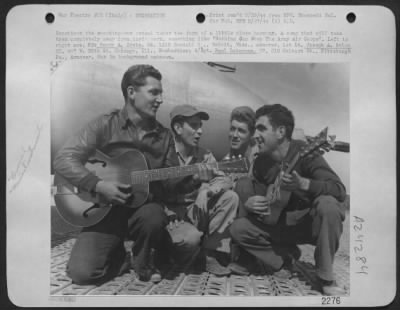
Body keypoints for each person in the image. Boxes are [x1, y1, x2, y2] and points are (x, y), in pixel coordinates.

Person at [53, 64, 190, 284]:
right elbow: (63, 158)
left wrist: (192, 176)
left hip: (143, 211)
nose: (161, 99)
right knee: (82, 274)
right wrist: (97, 185)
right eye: (154, 92)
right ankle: (120, 257)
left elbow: (170, 184)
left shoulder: (164, 137)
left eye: (161, 93)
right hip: (104, 210)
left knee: (153, 216)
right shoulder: (105, 124)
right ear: (131, 92)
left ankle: (144, 261)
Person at [229, 104, 347, 295]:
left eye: (261, 128)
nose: (255, 135)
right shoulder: (261, 161)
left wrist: (304, 184)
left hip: (308, 224)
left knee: (329, 204)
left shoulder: (304, 153)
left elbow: (339, 189)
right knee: (238, 228)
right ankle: (283, 259)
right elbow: (260, 198)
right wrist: (250, 202)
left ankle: (326, 278)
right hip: (279, 224)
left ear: (281, 132)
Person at [164, 104, 239, 276]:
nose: (200, 132)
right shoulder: (164, 154)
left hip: (196, 211)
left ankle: (209, 254)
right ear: (178, 128)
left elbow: (224, 179)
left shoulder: (205, 155)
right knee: (189, 240)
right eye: (194, 126)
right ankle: (179, 253)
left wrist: (207, 191)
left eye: (200, 126)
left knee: (230, 197)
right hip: (171, 215)